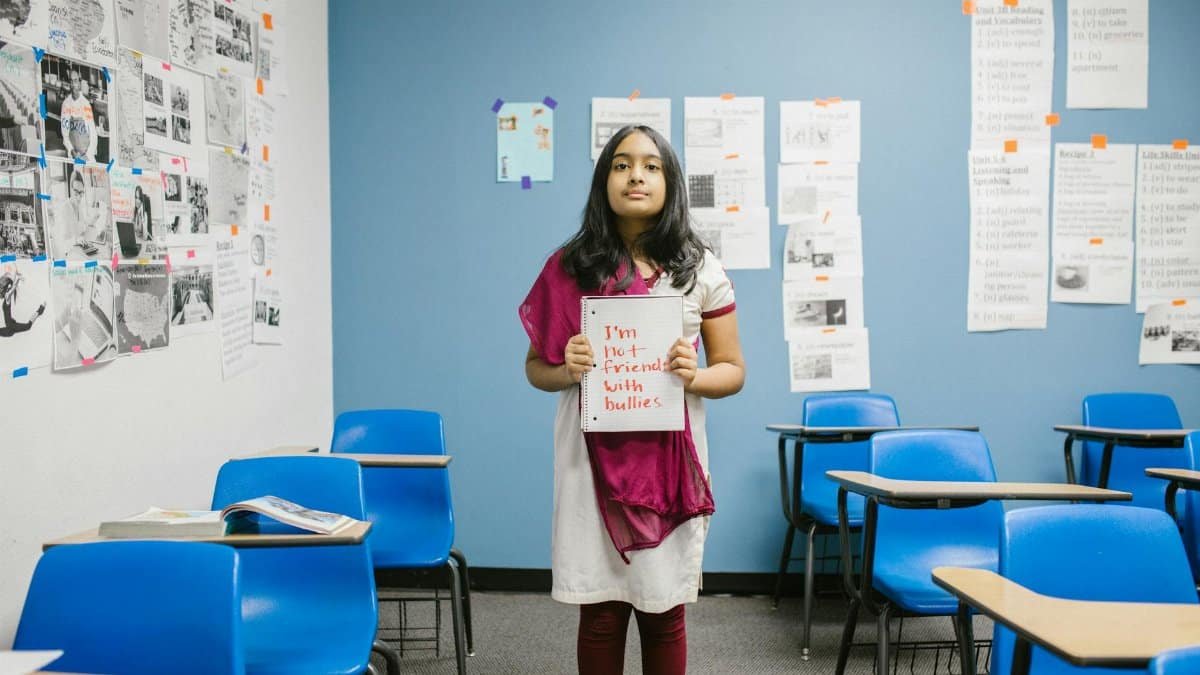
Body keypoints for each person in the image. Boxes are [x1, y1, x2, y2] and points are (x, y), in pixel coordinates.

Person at [519, 125, 745, 675]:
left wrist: (694, 377)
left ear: (670, 182)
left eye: (650, 165)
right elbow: (534, 370)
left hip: (669, 466)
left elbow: (733, 371)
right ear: (604, 181)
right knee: (599, 609)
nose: (636, 175)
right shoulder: (570, 266)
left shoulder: (701, 269)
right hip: (589, 465)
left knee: (664, 609)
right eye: (621, 165)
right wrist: (565, 368)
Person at [59, 68, 97, 163]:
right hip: (73, 156)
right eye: (71, 81)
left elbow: (93, 134)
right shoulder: (66, 104)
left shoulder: (86, 104)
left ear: (79, 83)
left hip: (87, 157)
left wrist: (87, 155)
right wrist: (72, 151)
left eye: (75, 81)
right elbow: (65, 134)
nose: (73, 85)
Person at [0, 271, 45, 338]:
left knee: (28, 326)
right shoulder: (6, 298)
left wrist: (17, 278)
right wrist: (16, 276)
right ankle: (40, 310)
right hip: (10, 326)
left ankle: (40, 310)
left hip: (10, 327)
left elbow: (13, 287)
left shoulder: (7, 297)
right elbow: (12, 286)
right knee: (28, 326)